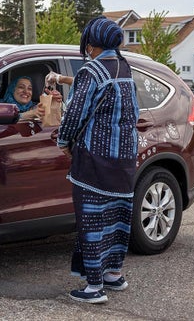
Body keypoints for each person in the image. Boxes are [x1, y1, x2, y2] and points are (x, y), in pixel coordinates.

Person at [50, 17, 139, 304]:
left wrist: (63, 142)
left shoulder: (92, 69)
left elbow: (75, 113)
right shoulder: (123, 67)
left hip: (95, 157)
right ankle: (114, 274)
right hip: (124, 157)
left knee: (91, 218)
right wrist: (63, 79)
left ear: (90, 45)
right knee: (117, 216)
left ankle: (93, 287)